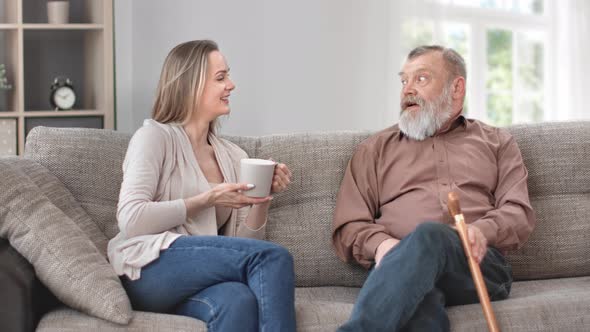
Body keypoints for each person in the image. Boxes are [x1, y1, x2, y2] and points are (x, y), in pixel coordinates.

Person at [332, 45, 535, 332]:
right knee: (418, 297)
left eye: (421, 79)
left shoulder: (498, 143)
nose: (407, 90)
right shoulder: (373, 150)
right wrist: (383, 246)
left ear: (456, 88)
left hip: (478, 266)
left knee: (429, 236)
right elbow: (349, 225)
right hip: (399, 266)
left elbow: (518, 213)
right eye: (404, 81)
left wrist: (481, 231)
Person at [107, 40, 296, 332]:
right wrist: (206, 200)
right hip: (146, 269)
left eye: (228, 76)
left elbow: (244, 245)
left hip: (196, 279)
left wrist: (263, 196)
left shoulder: (232, 156)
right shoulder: (154, 138)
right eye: (220, 78)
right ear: (189, 86)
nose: (231, 85)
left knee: (237, 300)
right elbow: (130, 219)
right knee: (273, 256)